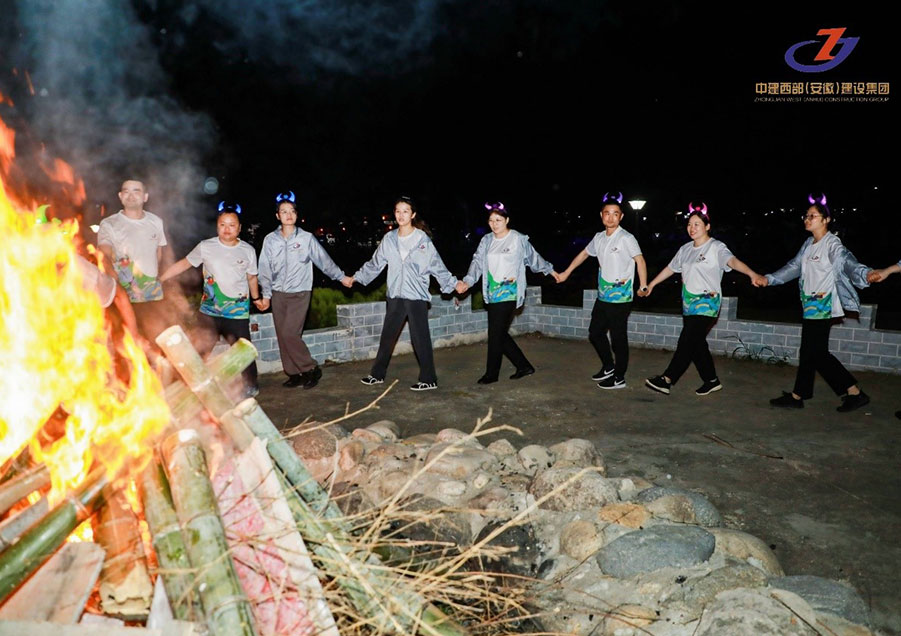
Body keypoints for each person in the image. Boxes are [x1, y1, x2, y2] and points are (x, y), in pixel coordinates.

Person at [755, 193, 872, 412]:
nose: (807, 219)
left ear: (826, 220)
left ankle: (854, 392)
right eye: (806, 216)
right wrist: (769, 279)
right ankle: (799, 395)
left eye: (813, 216)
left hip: (823, 305)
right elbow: (794, 267)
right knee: (809, 352)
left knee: (817, 353)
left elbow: (848, 262)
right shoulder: (809, 244)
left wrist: (866, 274)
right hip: (809, 305)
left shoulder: (832, 244)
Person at [346, 196, 465, 391]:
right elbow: (375, 264)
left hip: (416, 295)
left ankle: (429, 379)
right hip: (395, 294)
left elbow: (436, 265)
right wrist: (356, 277)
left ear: (413, 214)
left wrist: (453, 284)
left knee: (419, 337)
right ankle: (377, 375)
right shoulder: (389, 239)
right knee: (387, 336)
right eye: (398, 211)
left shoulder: (422, 240)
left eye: (405, 211)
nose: (401, 215)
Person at [642, 202, 761, 396]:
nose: (692, 228)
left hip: (708, 303)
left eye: (697, 224)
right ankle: (711, 380)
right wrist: (652, 284)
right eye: (689, 224)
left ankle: (667, 379)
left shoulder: (716, 247)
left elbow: (732, 261)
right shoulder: (685, 249)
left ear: (707, 226)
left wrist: (751, 274)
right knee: (696, 343)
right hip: (689, 303)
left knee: (687, 340)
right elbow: (671, 268)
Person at [160, 202, 261, 397]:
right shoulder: (206, 247)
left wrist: (257, 298)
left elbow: (252, 278)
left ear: (239, 228)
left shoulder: (247, 250)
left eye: (232, 225)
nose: (227, 229)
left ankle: (251, 385)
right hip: (209, 312)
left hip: (237, 313)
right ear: (217, 227)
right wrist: (162, 278)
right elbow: (185, 263)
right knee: (199, 351)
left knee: (243, 351)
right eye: (222, 224)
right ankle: (191, 385)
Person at [256, 191, 352, 389]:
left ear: (297, 215)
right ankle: (294, 373)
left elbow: (323, 261)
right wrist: (266, 295)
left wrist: (341, 277)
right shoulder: (270, 240)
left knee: (290, 333)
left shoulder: (307, 238)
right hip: (278, 293)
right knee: (282, 335)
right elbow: (264, 269)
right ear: (277, 216)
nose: (288, 215)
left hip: (300, 293)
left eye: (292, 211)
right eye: (284, 211)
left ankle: (310, 368)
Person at [557, 192, 648, 389]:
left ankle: (619, 377)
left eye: (615, 214)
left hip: (621, 298)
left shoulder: (626, 238)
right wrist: (566, 272)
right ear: (601, 215)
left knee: (618, 339)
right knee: (595, 333)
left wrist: (643, 285)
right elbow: (583, 254)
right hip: (603, 296)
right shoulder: (599, 238)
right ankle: (608, 366)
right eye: (607, 213)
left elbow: (640, 260)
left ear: (621, 216)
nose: (611, 217)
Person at [461, 201, 559, 384]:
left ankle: (491, 374)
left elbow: (534, 258)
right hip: (493, 292)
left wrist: (550, 271)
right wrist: (468, 280)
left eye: (498, 220)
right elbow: (477, 262)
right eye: (491, 220)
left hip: (510, 292)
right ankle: (524, 366)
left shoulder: (518, 239)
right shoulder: (487, 240)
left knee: (495, 333)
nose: (494, 224)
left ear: (507, 220)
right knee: (499, 333)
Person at [96, 179, 169, 342]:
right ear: (120, 196)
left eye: (136, 191)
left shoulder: (156, 222)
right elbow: (104, 255)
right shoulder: (109, 224)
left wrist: (157, 278)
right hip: (123, 297)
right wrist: (117, 285)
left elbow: (159, 252)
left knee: (155, 342)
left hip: (152, 296)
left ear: (145, 197)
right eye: (126, 191)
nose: (131, 195)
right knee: (126, 343)